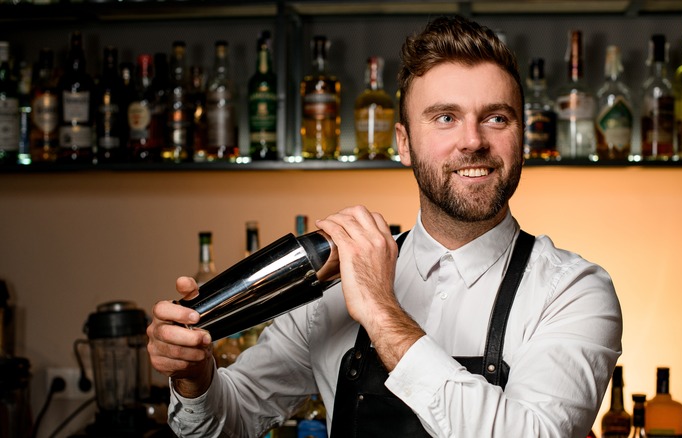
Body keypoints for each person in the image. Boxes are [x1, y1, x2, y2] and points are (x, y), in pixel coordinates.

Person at [147, 15, 622, 437]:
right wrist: (195, 378)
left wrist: (380, 310)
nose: (472, 141)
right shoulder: (336, 285)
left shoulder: (572, 291)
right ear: (404, 143)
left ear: (521, 136)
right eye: (445, 118)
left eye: (497, 118)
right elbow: (232, 420)